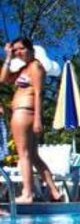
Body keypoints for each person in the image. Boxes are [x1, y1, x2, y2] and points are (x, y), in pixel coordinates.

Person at [1, 37, 63, 203]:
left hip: (25, 113)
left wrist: (38, 119)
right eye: (15, 50)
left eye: (21, 48)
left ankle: (27, 193)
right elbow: (3, 79)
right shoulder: (23, 69)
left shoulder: (35, 66)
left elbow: (39, 93)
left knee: (24, 155)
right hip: (23, 113)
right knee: (33, 156)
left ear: (31, 50)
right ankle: (55, 191)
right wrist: (8, 57)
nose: (18, 52)